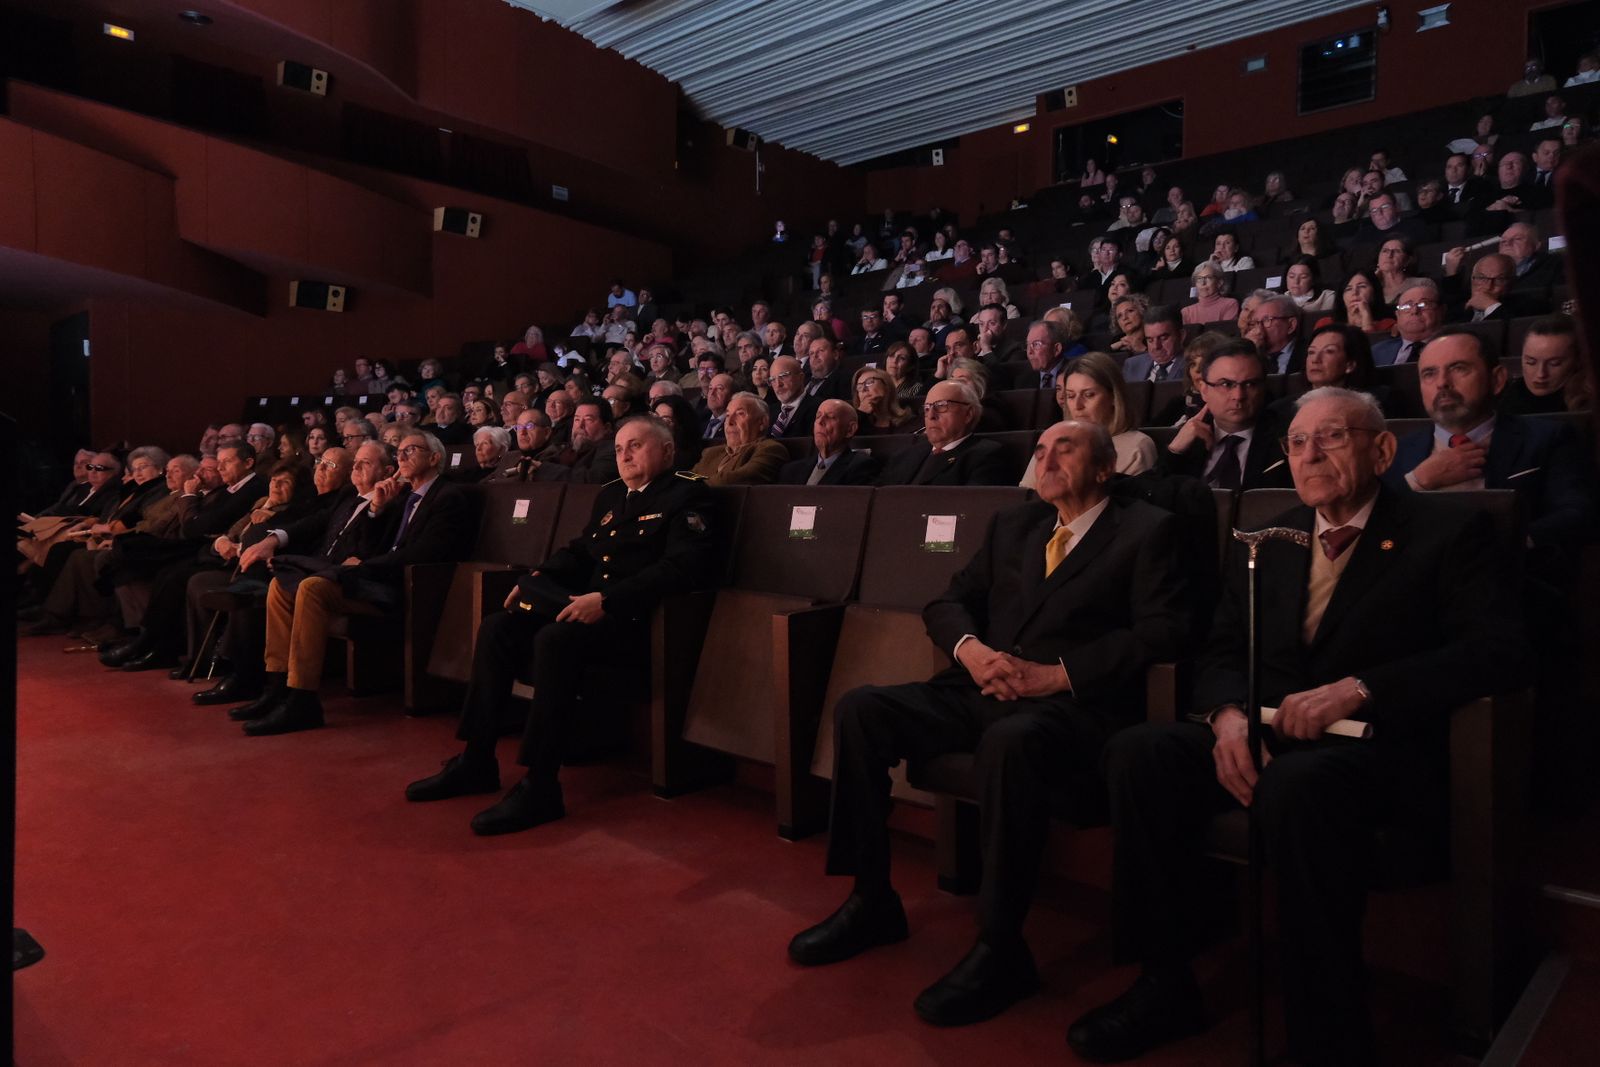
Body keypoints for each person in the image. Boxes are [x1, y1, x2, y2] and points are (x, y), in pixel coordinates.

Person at [1076, 386, 1517, 1064]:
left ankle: (1328, 1031)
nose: (1310, 455)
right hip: (1267, 729)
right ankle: (1164, 981)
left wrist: (1360, 689)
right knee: (1140, 753)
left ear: (1383, 450)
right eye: (1298, 442)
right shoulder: (1267, 539)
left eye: (1332, 437)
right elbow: (1222, 649)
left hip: (1377, 747)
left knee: (1297, 787)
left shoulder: (1448, 531)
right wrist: (1227, 719)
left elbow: (1495, 649)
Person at [789, 418, 1187, 1028]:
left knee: (1009, 740)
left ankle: (1001, 948)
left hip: (1070, 708)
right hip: (981, 688)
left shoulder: (1147, 530)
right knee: (862, 709)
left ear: (1106, 467)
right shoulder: (1014, 524)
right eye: (1041, 450)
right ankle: (871, 899)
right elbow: (948, 602)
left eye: (1065, 449)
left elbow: (1162, 631)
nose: (1046, 460)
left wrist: (1055, 676)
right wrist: (971, 651)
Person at [405, 417, 721, 834]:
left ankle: (541, 785)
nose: (624, 455)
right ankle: (476, 759)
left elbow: (681, 568)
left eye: (636, 446)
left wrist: (608, 600)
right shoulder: (612, 494)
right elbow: (583, 550)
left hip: (640, 622)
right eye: (619, 448)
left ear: (666, 451)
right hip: (589, 611)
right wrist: (538, 577)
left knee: (555, 640)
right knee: (499, 627)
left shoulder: (689, 494)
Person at [240, 432, 473, 735]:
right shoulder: (399, 495)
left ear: (434, 458)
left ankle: (303, 699)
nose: (401, 456)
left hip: (402, 588)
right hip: (372, 578)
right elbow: (374, 543)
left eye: (411, 450)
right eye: (400, 451)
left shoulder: (447, 497)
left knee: (312, 588)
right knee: (280, 587)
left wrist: (365, 566)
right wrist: (376, 511)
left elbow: (425, 552)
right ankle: (276, 687)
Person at [1384, 329, 1597, 553]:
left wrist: (1504, 545)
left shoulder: (1549, 437)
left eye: (1458, 368)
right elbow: (1373, 523)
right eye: (1429, 373)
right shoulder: (1399, 450)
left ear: (1497, 379)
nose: (1442, 383)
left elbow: (1578, 513)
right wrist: (1418, 480)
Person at [1165, 341, 1293, 489]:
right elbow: (1152, 494)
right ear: (1204, 390)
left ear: (1263, 387)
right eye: (1225, 384)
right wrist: (1173, 452)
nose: (1238, 396)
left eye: (1250, 384)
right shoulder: (1187, 439)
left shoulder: (1286, 440)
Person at [1027, 352, 1156, 480]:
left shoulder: (1136, 447)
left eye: (1089, 395)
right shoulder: (1050, 442)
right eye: (1070, 396)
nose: (1077, 405)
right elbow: (1027, 491)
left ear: (1113, 396)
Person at [875, 381, 1016, 487]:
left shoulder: (985, 455)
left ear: (968, 414)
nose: (931, 415)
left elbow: (971, 510)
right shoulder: (903, 456)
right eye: (927, 408)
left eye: (941, 406)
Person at [778, 400, 882, 486]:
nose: (820, 422)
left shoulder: (861, 467)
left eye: (830, 417)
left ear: (850, 430)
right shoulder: (790, 470)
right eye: (818, 416)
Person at [1501, 315, 1590, 414]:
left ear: (1578, 361)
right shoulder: (1508, 397)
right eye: (1531, 362)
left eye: (1554, 364)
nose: (1541, 374)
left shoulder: (1589, 402)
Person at [692, 393, 788, 485]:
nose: (729, 422)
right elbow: (687, 479)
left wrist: (692, 486)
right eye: (728, 415)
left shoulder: (771, 449)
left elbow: (737, 479)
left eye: (740, 414)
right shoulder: (710, 453)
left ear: (762, 422)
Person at [1371, 279, 1445, 366]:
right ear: (1397, 315)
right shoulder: (1376, 352)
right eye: (1406, 306)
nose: (1414, 311)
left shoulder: (1454, 347)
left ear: (1442, 310)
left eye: (1424, 304)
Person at [1121, 305, 1184, 383]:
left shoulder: (1192, 364)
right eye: (1150, 340)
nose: (1156, 346)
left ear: (1181, 336)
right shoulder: (1132, 365)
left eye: (1163, 338)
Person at [852, 366, 915, 434]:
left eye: (869, 382)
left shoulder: (908, 421)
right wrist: (861, 413)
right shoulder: (853, 426)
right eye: (859, 387)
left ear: (886, 386)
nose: (863, 389)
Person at [1181, 262, 1239, 326]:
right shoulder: (1186, 312)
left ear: (1219, 283)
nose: (1203, 283)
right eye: (1199, 279)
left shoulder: (1230, 304)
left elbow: (1225, 331)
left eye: (1208, 278)